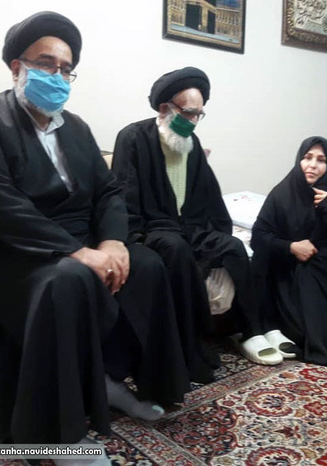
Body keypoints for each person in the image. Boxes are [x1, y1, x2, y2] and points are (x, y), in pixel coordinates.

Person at [0, 11, 190, 456]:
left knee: (147, 263)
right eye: (46, 64)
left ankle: (109, 379)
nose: (57, 76)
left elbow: (109, 192)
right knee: (70, 279)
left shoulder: (76, 127)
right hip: (14, 255)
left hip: (81, 246)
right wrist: (76, 252)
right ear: (16, 67)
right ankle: (60, 437)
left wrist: (112, 242)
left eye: (66, 69)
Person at [111, 67, 281, 377]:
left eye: (198, 115)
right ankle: (189, 345)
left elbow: (209, 197)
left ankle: (250, 329)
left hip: (189, 227)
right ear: (166, 108)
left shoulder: (191, 143)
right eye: (188, 113)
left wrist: (215, 233)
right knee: (175, 249)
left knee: (232, 246)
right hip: (152, 229)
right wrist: (131, 238)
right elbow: (124, 195)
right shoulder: (133, 137)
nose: (192, 121)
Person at [250, 136, 327, 366]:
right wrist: (291, 247)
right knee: (305, 329)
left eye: (321, 160)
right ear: (299, 159)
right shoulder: (282, 193)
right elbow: (259, 235)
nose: (313, 165)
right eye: (308, 158)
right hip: (292, 269)